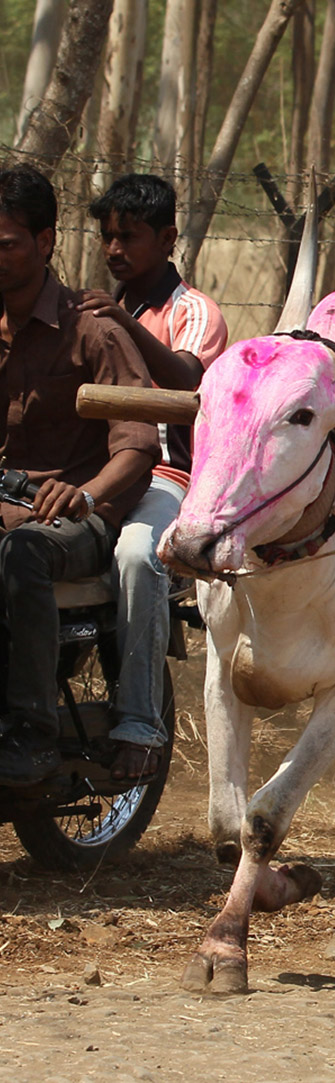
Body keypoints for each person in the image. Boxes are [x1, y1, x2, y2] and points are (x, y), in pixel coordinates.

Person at [0, 164, 160, 784]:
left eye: (8, 244)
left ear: (44, 243)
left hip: (75, 520)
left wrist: (85, 495)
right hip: (7, 504)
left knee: (21, 554)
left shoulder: (90, 329)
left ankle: (33, 732)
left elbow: (139, 446)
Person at [78, 174, 228, 779]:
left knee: (140, 554)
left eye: (129, 237)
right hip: (98, 469)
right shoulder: (99, 308)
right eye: (107, 236)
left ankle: (140, 725)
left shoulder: (194, 311)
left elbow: (187, 378)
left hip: (168, 476)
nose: (114, 249)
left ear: (166, 238)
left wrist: (118, 320)